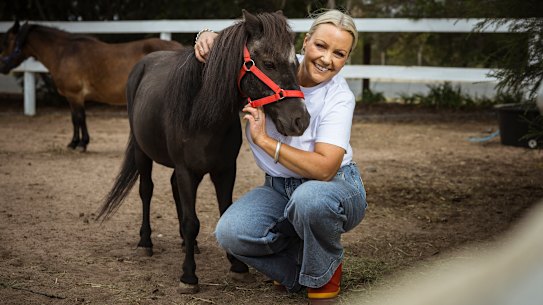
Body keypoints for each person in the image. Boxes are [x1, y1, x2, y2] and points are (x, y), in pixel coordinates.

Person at [194, 9, 367, 301]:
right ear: (305, 42)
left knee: (309, 199)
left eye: (339, 53)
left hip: (334, 187)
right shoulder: (272, 68)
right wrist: (208, 36)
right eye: (321, 46)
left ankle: (324, 272)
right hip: (278, 188)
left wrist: (263, 140)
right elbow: (240, 50)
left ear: (346, 59)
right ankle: (301, 268)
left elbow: (325, 169)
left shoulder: (339, 96)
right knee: (230, 233)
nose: (327, 59)